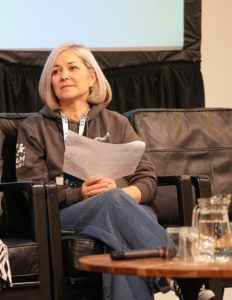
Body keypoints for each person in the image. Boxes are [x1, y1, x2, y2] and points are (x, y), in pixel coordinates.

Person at [15, 42, 214, 300]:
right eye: (55, 71)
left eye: (72, 68)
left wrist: (122, 194)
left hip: (114, 210)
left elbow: (147, 178)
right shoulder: (34, 128)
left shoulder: (117, 123)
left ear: (91, 77)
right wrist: (81, 195)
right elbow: (31, 189)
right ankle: (185, 276)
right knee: (112, 203)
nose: (63, 75)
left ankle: (177, 274)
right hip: (61, 216)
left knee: (116, 230)